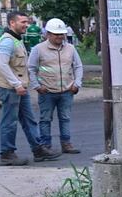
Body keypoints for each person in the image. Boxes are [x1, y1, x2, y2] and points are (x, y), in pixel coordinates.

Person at [0, 13, 60, 166]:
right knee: (9, 122)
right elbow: (2, 65)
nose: (26, 25)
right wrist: (16, 84)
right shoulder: (7, 42)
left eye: (27, 22)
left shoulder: (17, 39)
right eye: (22, 22)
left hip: (19, 87)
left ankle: (38, 149)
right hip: (10, 88)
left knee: (29, 119)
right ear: (12, 23)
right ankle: (6, 154)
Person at [27, 18, 83, 155]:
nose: (59, 37)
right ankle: (46, 145)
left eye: (61, 34)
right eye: (56, 34)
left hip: (67, 91)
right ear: (48, 34)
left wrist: (77, 83)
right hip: (47, 92)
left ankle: (66, 144)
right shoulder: (38, 49)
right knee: (45, 119)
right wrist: (37, 86)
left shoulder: (70, 48)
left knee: (65, 118)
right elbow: (31, 69)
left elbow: (78, 66)